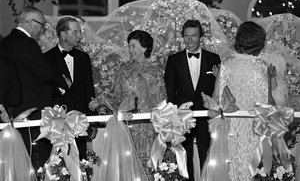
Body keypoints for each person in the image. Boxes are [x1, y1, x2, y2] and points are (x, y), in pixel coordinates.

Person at [0, 6, 70, 170]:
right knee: (36, 156)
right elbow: (44, 71)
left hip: (13, 107)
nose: (42, 29)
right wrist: (63, 82)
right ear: (29, 22)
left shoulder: (7, 41)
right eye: (41, 24)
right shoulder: (26, 42)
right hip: (29, 108)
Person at [90, 30, 166, 180]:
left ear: (144, 48)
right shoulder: (123, 70)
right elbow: (115, 96)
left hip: (148, 128)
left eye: (133, 46)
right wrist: (100, 101)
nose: (129, 50)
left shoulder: (155, 72)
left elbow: (162, 99)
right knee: (126, 167)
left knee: (149, 168)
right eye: (129, 46)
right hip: (126, 127)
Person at [205, 21, 272, 181]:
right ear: (260, 43)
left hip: (230, 127)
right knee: (253, 169)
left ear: (238, 40)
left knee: (231, 168)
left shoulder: (227, 63)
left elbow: (215, 97)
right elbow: (269, 101)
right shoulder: (263, 66)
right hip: (255, 127)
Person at [164, 20, 221, 181]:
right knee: (184, 156)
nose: (189, 40)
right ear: (182, 37)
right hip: (183, 116)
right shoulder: (174, 60)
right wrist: (173, 115)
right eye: (186, 36)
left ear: (201, 37)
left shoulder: (214, 58)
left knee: (207, 154)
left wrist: (219, 78)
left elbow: (221, 89)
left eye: (193, 36)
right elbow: (169, 90)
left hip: (206, 115)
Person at [44, 17, 97, 160]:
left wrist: (92, 121)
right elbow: (44, 90)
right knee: (58, 164)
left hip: (79, 122)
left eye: (80, 32)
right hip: (57, 122)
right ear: (63, 34)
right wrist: (59, 89)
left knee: (81, 162)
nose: (80, 36)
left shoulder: (83, 58)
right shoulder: (46, 58)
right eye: (76, 32)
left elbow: (88, 89)